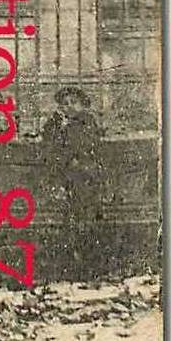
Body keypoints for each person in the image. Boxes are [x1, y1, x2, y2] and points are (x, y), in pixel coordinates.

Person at [41, 85, 105, 278]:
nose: (69, 106)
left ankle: (87, 266)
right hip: (63, 179)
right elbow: (49, 147)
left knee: (85, 221)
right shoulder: (54, 123)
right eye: (65, 103)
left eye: (73, 103)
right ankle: (69, 266)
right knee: (66, 222)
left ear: (82, 105)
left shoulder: (87, 122)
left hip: (84, 179)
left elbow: (85, 147)